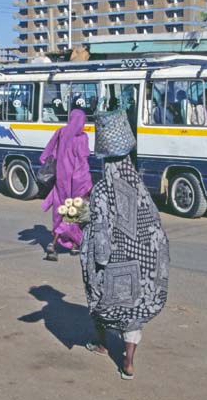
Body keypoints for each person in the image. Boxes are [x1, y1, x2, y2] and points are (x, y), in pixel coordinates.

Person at [80, 110, 169, 380]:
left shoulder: (103, 190)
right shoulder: (139, 185)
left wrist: (82, 224)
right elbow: (155, 227)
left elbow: (99, 229)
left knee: (101, 302)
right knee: (134, 312)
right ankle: (128, 362)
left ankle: (104, 343)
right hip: (144, 264)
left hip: (115, 263)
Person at [40, 109, 92, 261]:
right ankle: (56, 244)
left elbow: (49, 153)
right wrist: (87, 183)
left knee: (61, 211)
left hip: (61, 180)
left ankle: (73, 245)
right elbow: (82, 161)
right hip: (77, 180)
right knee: (75, 213)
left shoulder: (61, 132)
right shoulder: (81, 137)